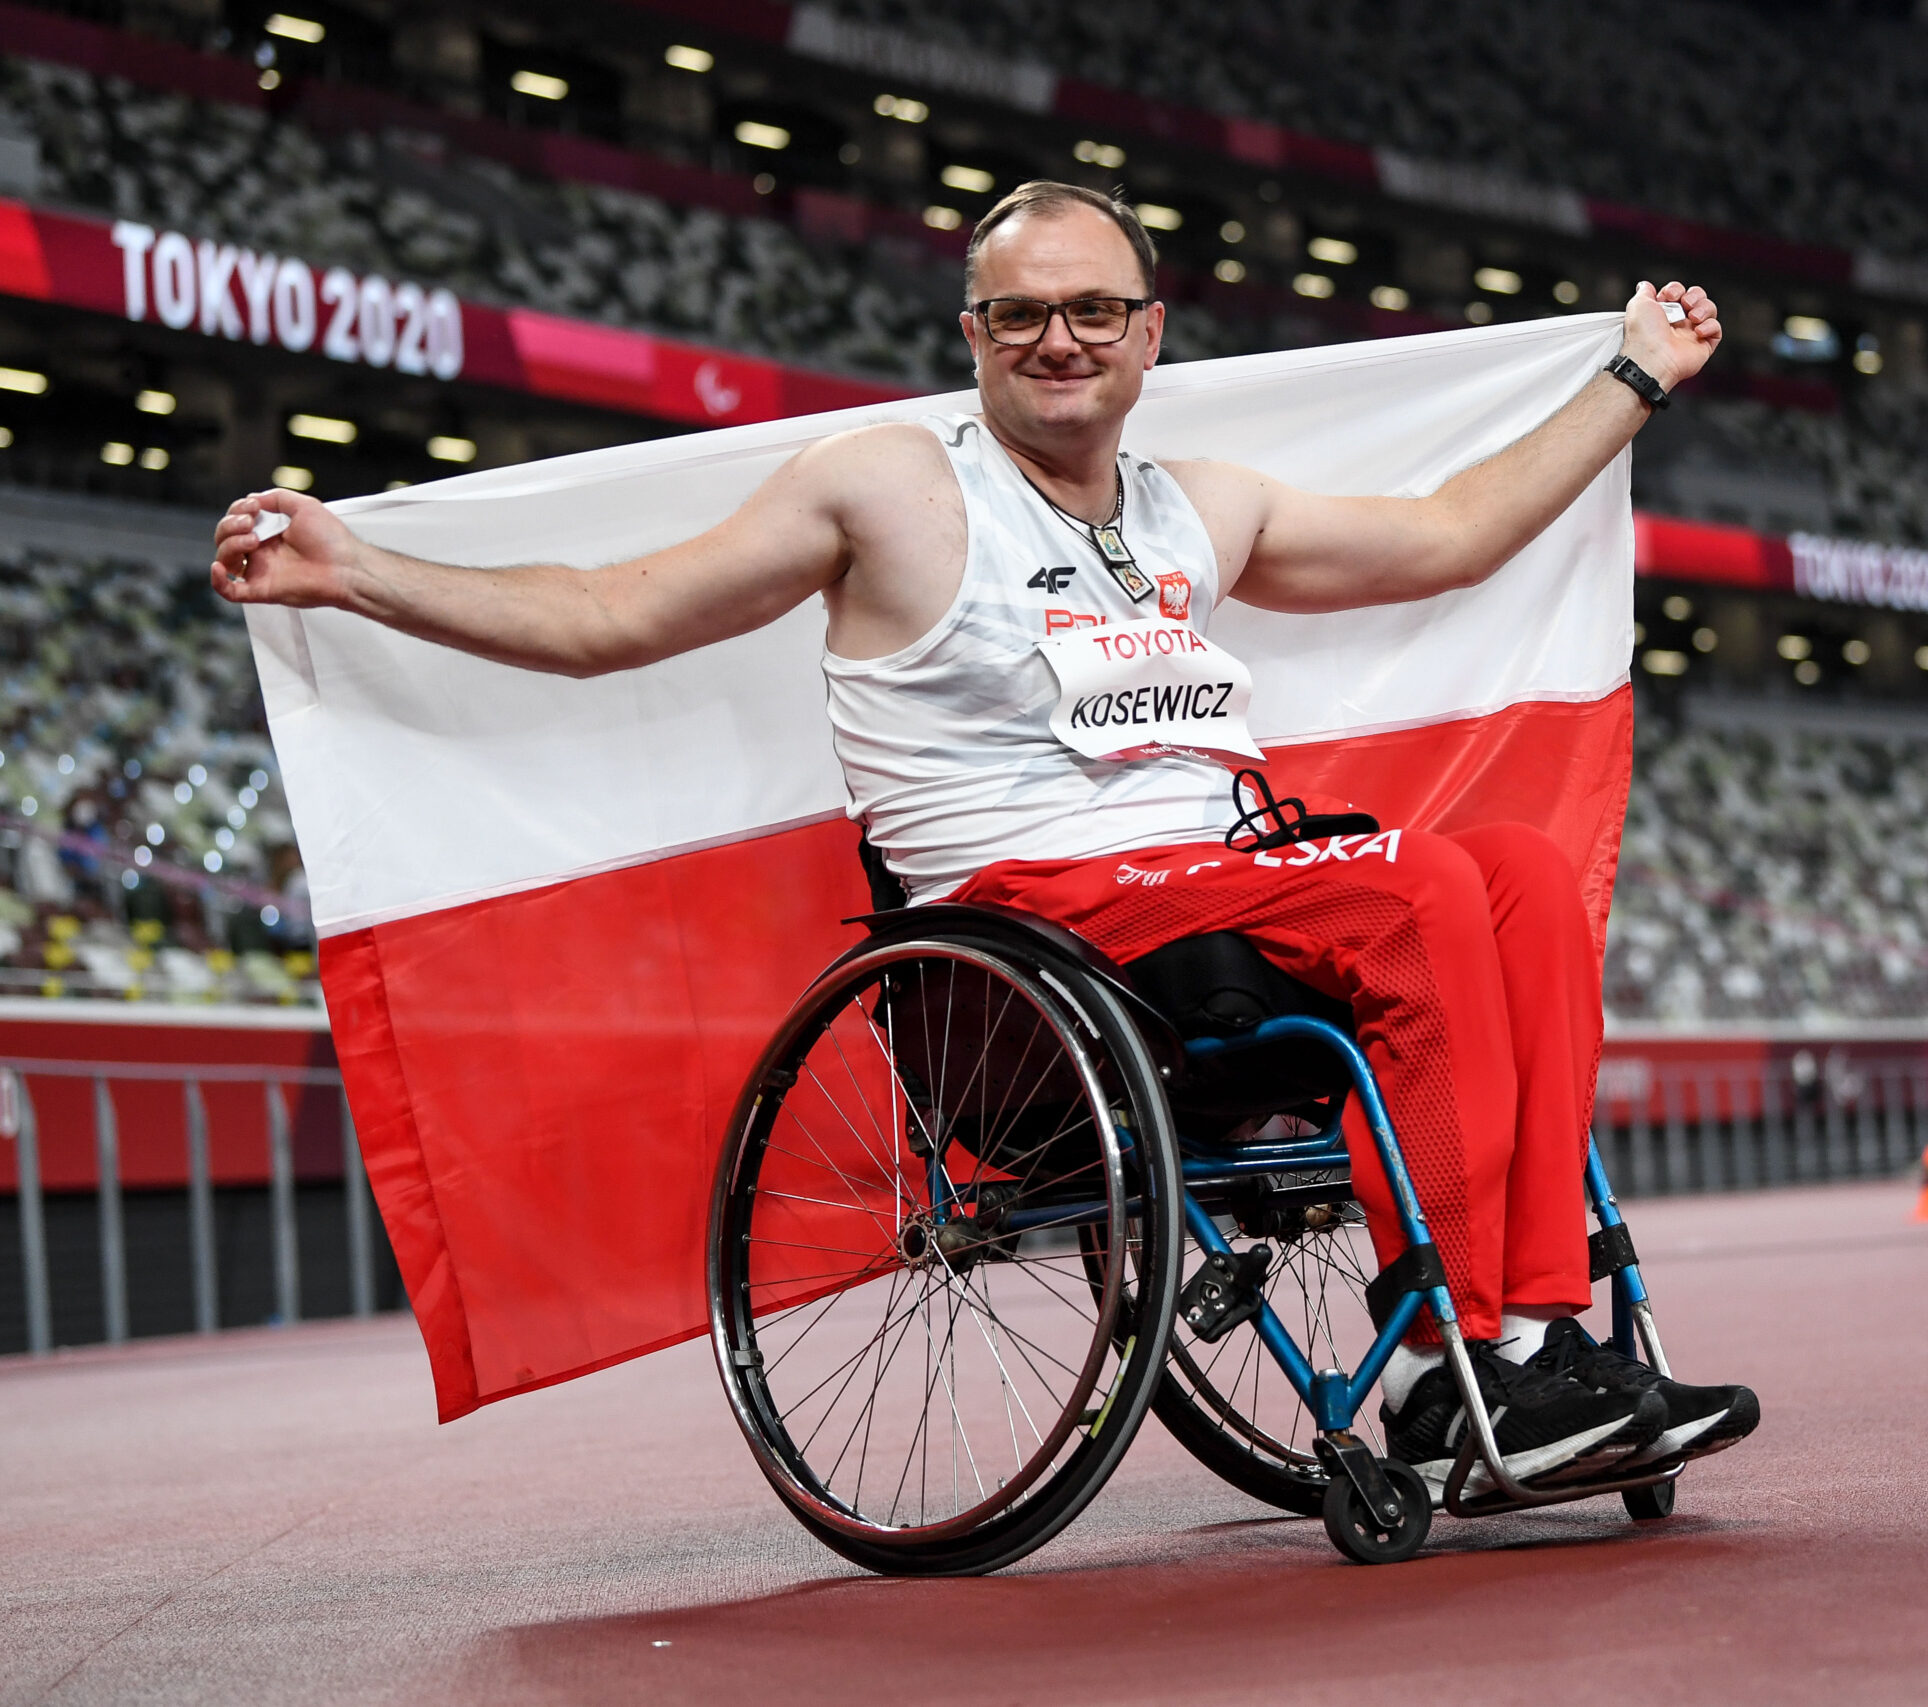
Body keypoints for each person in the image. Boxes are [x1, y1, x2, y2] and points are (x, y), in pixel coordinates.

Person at [210, 181, 1755, 1495]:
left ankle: (1519, 1340)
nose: (1059, 339)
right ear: (972, 338)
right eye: (1018, 315)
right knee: (1417, 883)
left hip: (1216, 889)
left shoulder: (1196, 505)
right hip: (1025, 921)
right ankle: (1473, 1353)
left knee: (1524, 875)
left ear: (1153, 332)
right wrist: (361, 570)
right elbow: (618, 614)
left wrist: (1634, 376)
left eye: (1093, 309)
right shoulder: (886, 489)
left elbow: (1459, 533)